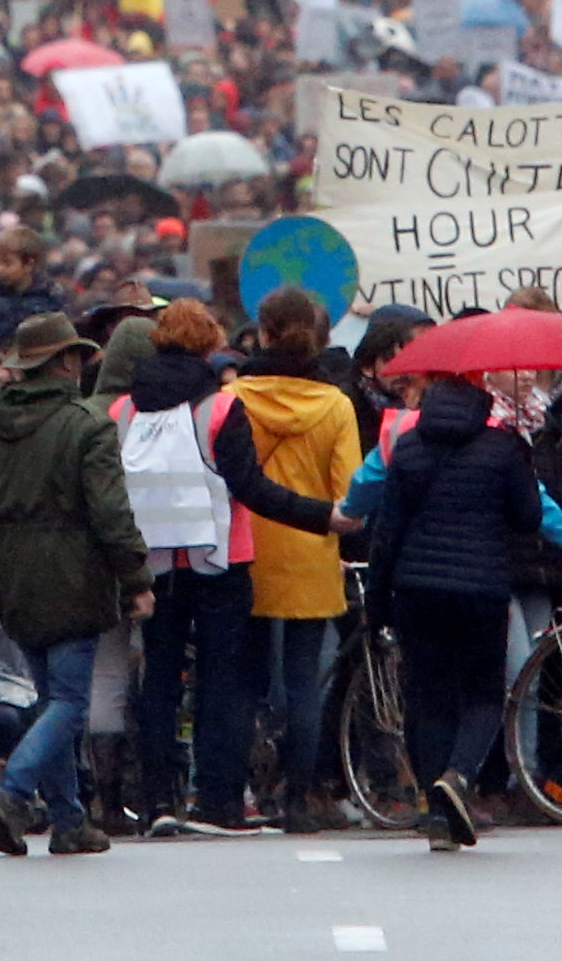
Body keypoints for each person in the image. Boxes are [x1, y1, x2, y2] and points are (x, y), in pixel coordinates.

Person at [114, 295, 347, 830]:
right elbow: (251, 488)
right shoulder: (220, 406)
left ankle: (158, 801)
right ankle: (218, 800)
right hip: (221, 559)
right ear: (208, 346)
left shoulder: (124, 410)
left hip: (154, 563)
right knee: (225, 681)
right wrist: (319, 516)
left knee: (160, 681)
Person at [0, 312, 149, 858]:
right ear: (63, 363)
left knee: (51, 700)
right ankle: (13, 793)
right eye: (78, 357)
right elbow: (110, 511)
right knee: (69, 704)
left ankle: (68, 820)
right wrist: (135, 577)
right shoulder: (86, 426)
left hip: (12, 580)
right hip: (75, 574)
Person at [365, 363, 541, 849]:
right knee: (484, 692)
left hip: (416, 588)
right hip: (481, 587)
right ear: (482, 403)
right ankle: (459, 777)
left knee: (428, 695)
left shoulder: (410, 447)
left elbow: (388, 531)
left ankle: (437, 818)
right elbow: (528, 520)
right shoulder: (504, 447)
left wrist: (376, 604)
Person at [228, 286, 364, 832]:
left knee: (245, 681)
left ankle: (239, 791)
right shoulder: (335, 405)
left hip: (246, 551)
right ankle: (301, 797)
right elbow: (349, 492)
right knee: (305, 680)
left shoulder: (235, 397)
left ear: (261, 333)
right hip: (311, 553)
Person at [0, 233, 66, 351]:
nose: (0, 269)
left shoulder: (50, 295)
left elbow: (64, 337)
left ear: (29, 265)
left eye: (7, 263)